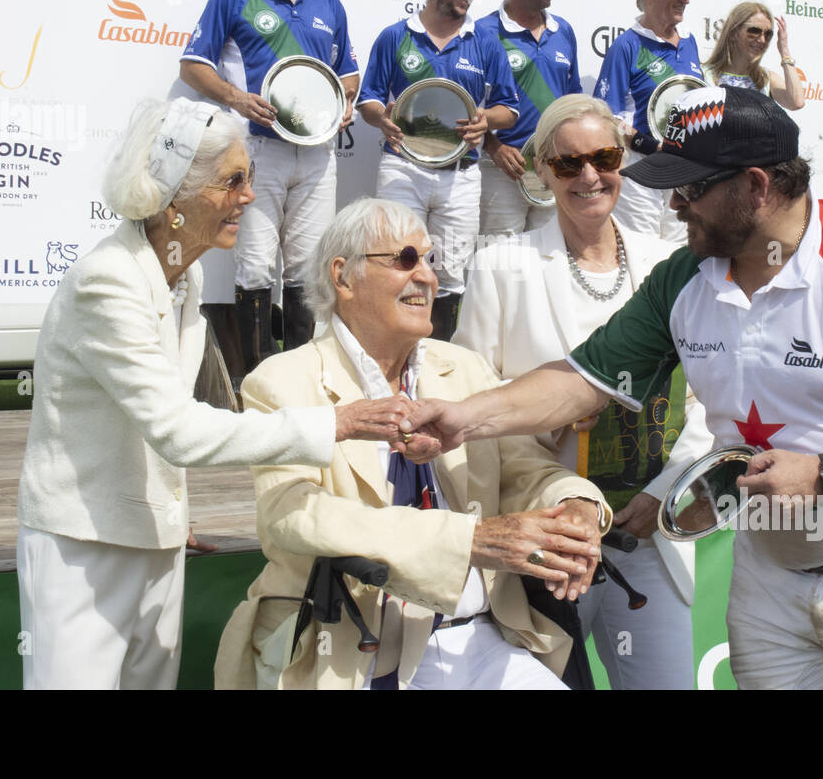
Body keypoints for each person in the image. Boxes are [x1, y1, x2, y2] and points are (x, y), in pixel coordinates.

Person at [405, 85, 823, 690]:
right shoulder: (683, 276)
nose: (674, 204)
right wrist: (462, 416)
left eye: (690, 188)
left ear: (756, 187)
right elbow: (582, 382)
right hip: (768, 575)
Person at [16, 100, 417, 690]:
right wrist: (336, 423)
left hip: (153, 538)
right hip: (83, 547)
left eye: (249, 179)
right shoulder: (109, 281)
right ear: (176, 198)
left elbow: (163, 419)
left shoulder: (184, 272)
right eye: (233, 181)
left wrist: (167, 508)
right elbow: (178, 429)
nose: (249, 197)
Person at [214, 198, 610, 690]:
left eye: (430, 260)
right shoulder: (282, 381)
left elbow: (528, 470)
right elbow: (293, 515)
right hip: (354, 647)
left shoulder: (463, 367)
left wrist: (575, 503)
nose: (426, 277)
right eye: (405, 259)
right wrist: (470, 541)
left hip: (484, 638)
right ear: (343, 277)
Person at [453, 95, 711, 689]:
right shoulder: (500, 266)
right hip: (546, 545)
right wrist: (550, 424)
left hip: (650, 535)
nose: (590, 176)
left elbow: (703, 400)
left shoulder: (670, 263)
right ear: (542, 169)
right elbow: (471, 390)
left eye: (604, 157)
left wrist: (664, 492)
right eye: (569, 164)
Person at [179, 0, 358, 377]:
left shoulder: (329, 2)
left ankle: (299, 378)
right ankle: (258, 379)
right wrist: (239, 99)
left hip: (317, 154)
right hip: (256, 151)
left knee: (307, 269)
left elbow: (349, 75)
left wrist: (341, 105)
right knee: (256, 268)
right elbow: (194, 65)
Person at [357, 0, 520, 341]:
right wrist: (382, 117)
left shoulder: (484, 42)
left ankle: (437, 365)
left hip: (461, 175)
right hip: (403, 167)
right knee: (395, 262)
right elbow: (368, 99)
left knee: (449, 277)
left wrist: (486, 120)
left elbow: (509, 109)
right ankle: (387, 357)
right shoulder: (395, 36)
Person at [593, 0, 704, 247]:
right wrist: (649, 145)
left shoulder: (690, 43)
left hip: (683, 168)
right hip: (642, 170)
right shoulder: (626, 46)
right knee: (641, 252)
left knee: (680, 253)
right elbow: (607, 118)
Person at [474, 0, 581, 237]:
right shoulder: (483, 32)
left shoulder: (564, 31)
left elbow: (572, 101)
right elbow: (468, 105)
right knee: (499, 262)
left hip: (553, 168)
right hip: (502, 169)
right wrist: (493, 147)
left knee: (548, 258)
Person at [701, 1, 804, 110]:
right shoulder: (704, 74)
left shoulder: (765, 78)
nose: (762, 40)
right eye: (754, 31)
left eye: (768, 34)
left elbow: (796, 102)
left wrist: (784, 51)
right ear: (733, 33)